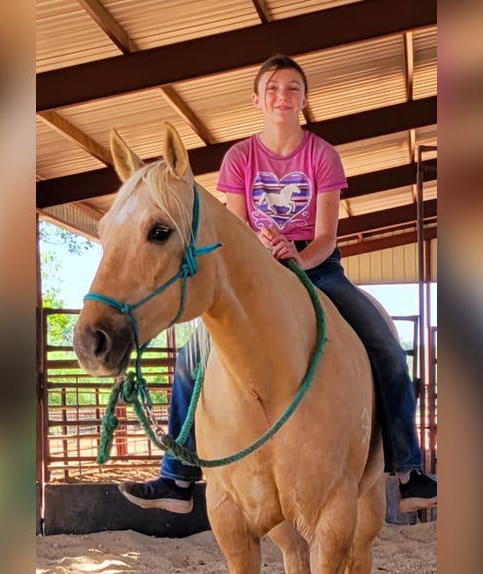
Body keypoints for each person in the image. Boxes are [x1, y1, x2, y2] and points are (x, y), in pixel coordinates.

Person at [118, 54, 437, 515]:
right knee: (192, 354)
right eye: (272, 89)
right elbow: (237, 225)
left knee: (385, 345)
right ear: (257, 99)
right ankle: (177, 477)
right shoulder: (239, 158)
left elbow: (328, 234)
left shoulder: (322, 155)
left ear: (304, 100)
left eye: (292, 89)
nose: (282, 96)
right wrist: (265, 253)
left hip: (319, 266)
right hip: (256, 269)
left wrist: (299, 259)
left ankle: (410, 471)